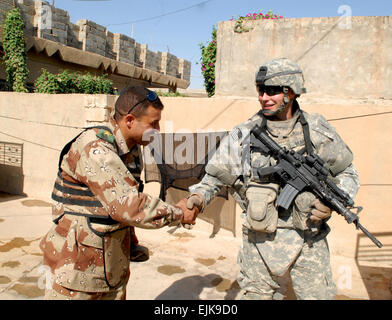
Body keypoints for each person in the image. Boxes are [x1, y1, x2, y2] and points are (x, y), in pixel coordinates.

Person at [186, 58, 360, 300]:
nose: (263, 97)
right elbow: (213, 178)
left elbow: (348, 172)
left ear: (291, 92)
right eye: (260, 90)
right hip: (259, 242)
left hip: (309, 242)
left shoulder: (318, 131)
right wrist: (197, 198)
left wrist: (329, 203)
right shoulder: (244, 133)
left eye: (272, 91)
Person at [39, 86, 198, 300]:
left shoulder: (130, 148)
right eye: (153, 123)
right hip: (77, 272)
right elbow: (128, 205)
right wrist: (179, 213)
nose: (158, 129)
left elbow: (118, 199)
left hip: (108, 266)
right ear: (130, 120)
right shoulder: (96, 149)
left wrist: (130, 242)